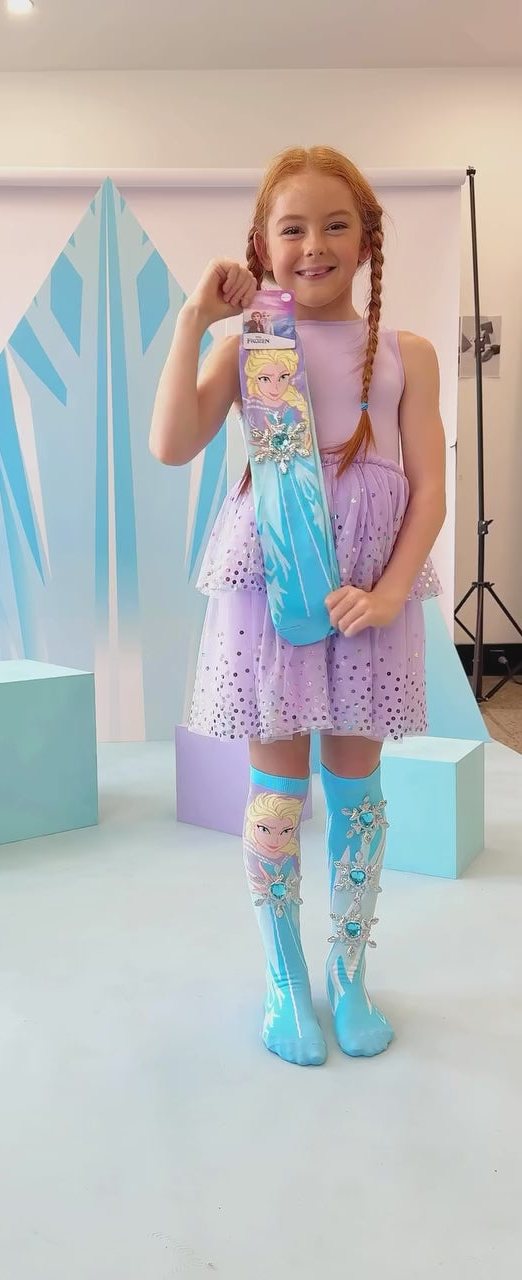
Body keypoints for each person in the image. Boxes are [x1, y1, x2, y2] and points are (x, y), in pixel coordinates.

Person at [149, 146, 446, 1067]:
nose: (313, 244)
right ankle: (284, 982)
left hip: (368, 595)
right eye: (292, 228)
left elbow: (431, 488)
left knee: (357, 792)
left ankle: (348, 975)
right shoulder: (249, 346)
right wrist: (196, 321)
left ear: (367, 242)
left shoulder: (407, 354)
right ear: (262, 246)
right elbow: (172, 443)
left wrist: (391, 591)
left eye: (335, 225)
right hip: (271, 588)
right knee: (278, 795)